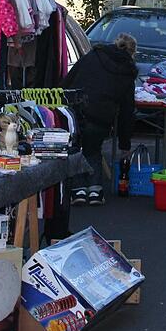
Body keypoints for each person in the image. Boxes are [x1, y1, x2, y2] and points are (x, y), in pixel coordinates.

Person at [63, 33, 138, 206]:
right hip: (102, 115)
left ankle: (78, 189)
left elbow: (69, 80)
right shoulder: (128, 72)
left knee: (76, 149)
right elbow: (127, 110)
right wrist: (124, 144)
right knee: (93, 149)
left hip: (77, 108)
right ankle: (95, 190)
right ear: (132, 52)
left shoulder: (93, 56)